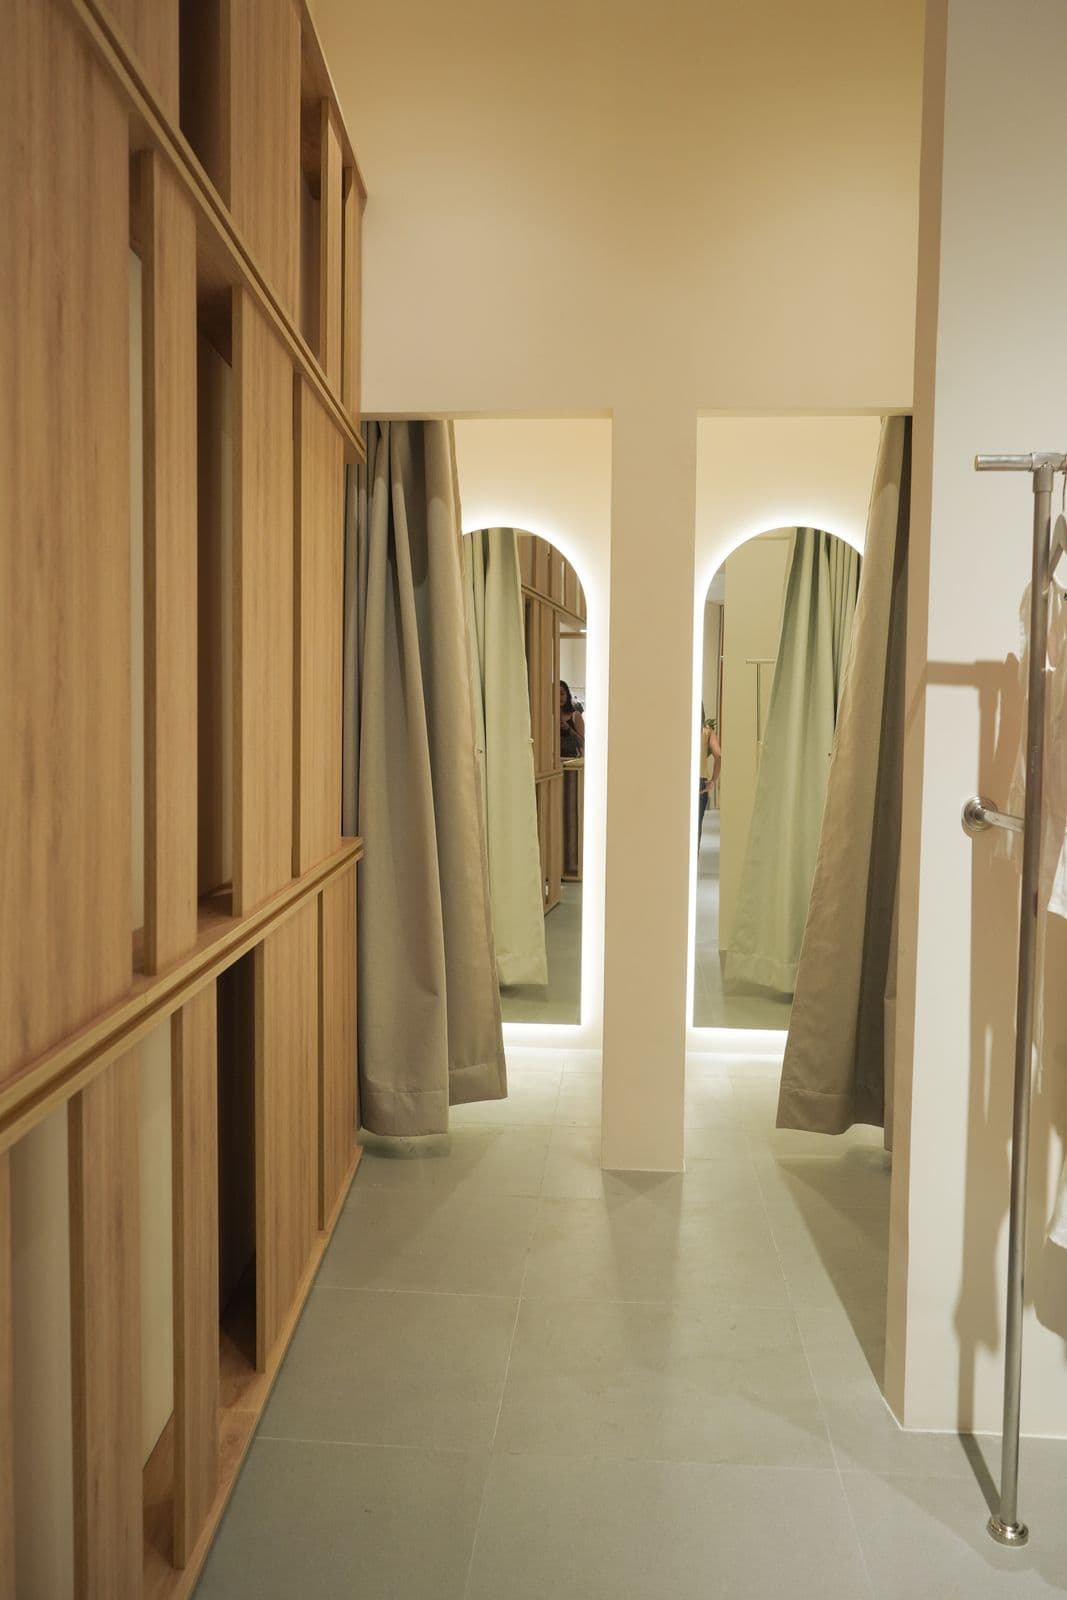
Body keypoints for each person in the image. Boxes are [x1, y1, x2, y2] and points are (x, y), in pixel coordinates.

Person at [697, 717, 721, 844]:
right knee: (696, 828)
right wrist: (713, 780)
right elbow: (718, 755)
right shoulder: (707, 730)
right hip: (700, 781)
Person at [560, 680, 585, 757]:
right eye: (555, 694)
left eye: (562, 693)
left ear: (567, 695)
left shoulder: (575, 715)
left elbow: (582, 743)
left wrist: (568, 729)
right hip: (552, 761)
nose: (560, 697)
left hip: (572, 761)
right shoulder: (547, 717)